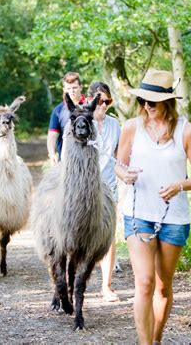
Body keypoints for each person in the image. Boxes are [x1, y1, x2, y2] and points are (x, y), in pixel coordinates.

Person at [115, 69, 191, 344]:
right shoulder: (132, 127)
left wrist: (179, 185)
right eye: (143, 101)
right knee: (144, 283)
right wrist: (125, 174)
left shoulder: (187, 131)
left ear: (167, 102)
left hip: (174, 218)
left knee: (163, 286)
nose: (146, 107)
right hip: (137, 213)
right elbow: (119, 164)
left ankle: (156, 338)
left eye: (152, 102)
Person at [87, 82, 121, 303]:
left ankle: (106, 286)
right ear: (91, 100)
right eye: (99, 100)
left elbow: (121, 155)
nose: (103, 105)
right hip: (86, 187)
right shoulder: (81, 121)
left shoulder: (115, 125)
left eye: (107, 101)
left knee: (108, 237)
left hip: (109, 187)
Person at [47, 72, 86, 165]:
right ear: (64, 89)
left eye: (74, 87)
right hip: (66, 161)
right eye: (68, 88)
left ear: (81, 87)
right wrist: (52, 154)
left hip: (88, 160)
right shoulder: (58, 110)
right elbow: (52, 135)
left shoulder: (90, 107)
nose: (72, 91)